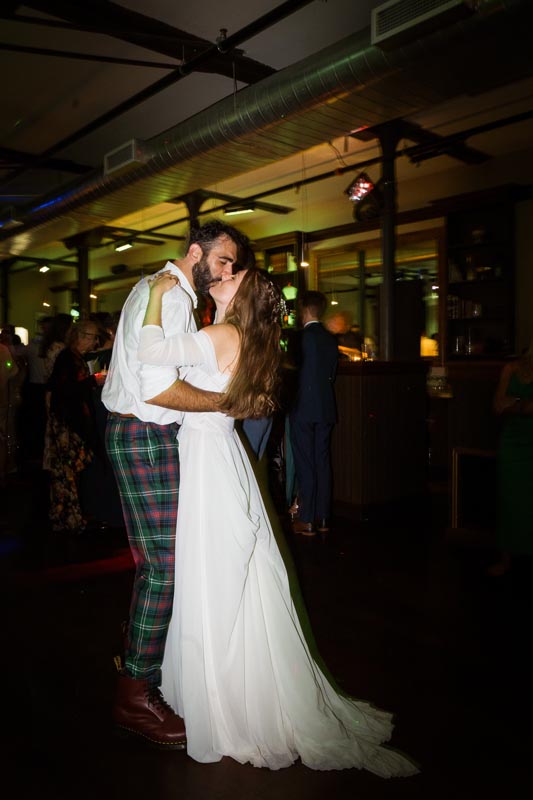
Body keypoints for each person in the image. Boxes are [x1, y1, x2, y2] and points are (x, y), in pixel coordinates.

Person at [136, 269, 418, 777]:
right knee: (225, 571)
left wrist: (155, 295)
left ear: (240, 296)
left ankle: (222, 696)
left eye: (231, 274)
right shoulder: (239, 336)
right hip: (217, 453)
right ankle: (227, 685)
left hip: (209, 458)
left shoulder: (223, 334)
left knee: (213, 573)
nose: (221, 274)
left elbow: (151, 353)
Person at [101, 220, 246, 750]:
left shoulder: (163, 290)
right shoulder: (174, 296)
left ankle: (139, 663)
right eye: (224, 259)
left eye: (231, 265)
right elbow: (156, 388)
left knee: (160, 562)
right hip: (144, 434)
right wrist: (221, 407)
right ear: (195, 253)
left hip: (145, 435)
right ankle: (133, 696)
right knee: (163, 565)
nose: (226, 269)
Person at [289, 290, 339, 536]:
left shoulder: (299, 338)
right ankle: (323, 518)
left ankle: (306, 518)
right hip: (326, 406)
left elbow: (292, 373)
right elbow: (331, 373)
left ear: (304, 310)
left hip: (303, 407)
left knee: (305, 462)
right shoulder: (331, 339)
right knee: (322, 461)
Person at [46, 319, 102, 533]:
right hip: (68, 423)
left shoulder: (72, 357)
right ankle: (70, 519)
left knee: (65, 471)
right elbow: (67, 390)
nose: (95, 341)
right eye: (91, 336)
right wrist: (93, 381)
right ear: (79, 336)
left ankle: (63, 516)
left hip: (65, 421)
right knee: (67, 470)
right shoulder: (68, 357)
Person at [488, 342, 533, 576]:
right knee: (508, 499)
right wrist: (522, 404)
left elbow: (521, 407)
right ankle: (506, 558)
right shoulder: (510, 369)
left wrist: (513, 402)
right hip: (512, 443)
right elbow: (497, 405)